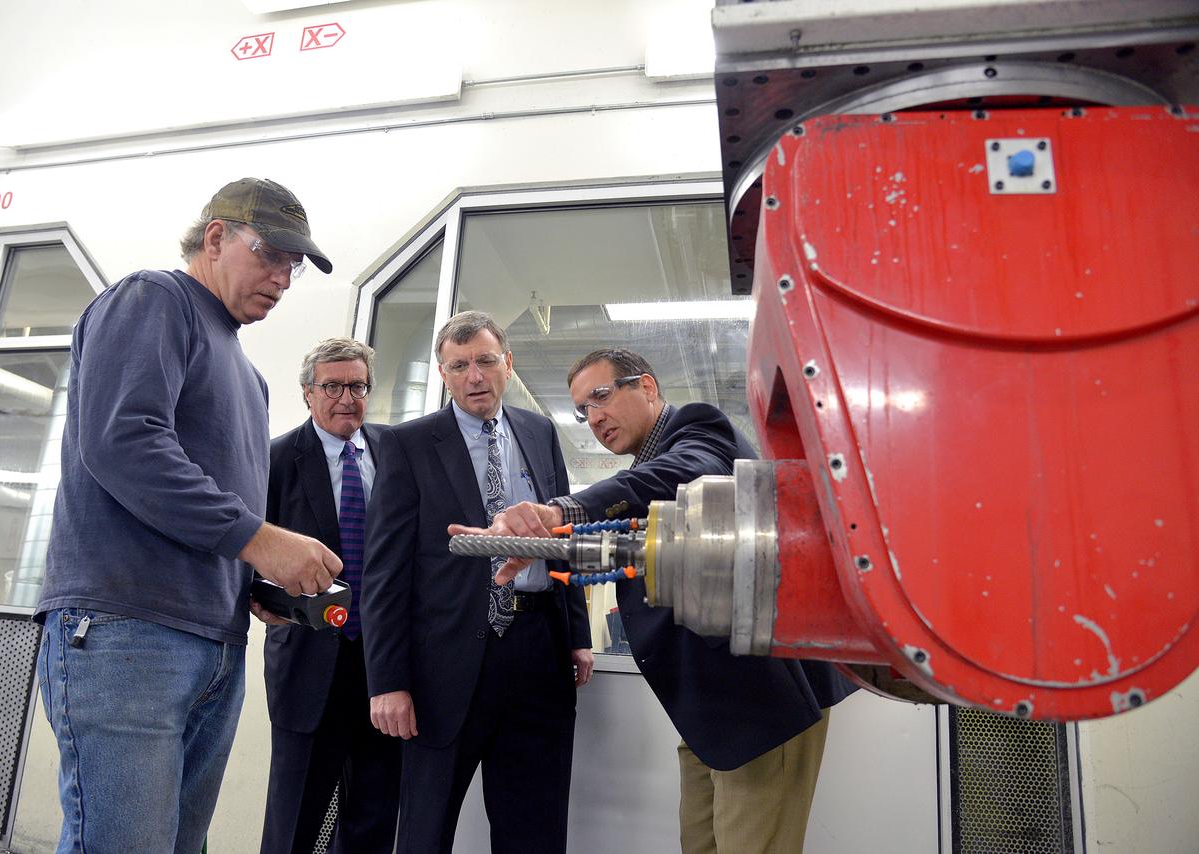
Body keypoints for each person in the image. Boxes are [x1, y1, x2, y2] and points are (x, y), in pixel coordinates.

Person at [34, 178, 343, 854]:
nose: (283, 278)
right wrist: (259, 540)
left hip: (213, 641)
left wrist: (253, 582)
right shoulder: (154, 299)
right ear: (215, 237)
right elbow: (124, 442)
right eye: (271, 255)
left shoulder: (249, 376)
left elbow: (211, 507)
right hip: (125, 630)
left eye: (294, 266)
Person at [462, 348, 856, 854]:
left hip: (762, 702)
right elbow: (637, 550)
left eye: (601, 396)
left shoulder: (696, 432)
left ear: (647, 387)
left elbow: (675, 476)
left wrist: (563, 508)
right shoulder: (647, 477)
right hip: (708, 712)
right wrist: (540, 547)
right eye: (583, 410)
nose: (594, 417)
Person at [361, 310, 594, 854]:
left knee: (534, 822)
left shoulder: (538, 432)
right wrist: (386, 681)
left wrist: (577, 632)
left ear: (507, 364)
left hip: (538, 649)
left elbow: (562, 537)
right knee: (426, 826)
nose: (475, 376)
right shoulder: (408, 445)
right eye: (460, 365)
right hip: (443, 664)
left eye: (486, 361)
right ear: (442, 374)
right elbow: (385, 572)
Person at [260, 338, 401, 854]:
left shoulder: (395, 453)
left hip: (384, 670)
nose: (347, 397)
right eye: (333, 386)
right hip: (308, 663)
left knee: (373, 818)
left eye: (358, 385)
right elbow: (249, 550)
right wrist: (266, 602)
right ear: (307, 393)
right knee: (294, 821)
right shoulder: (275, 458)